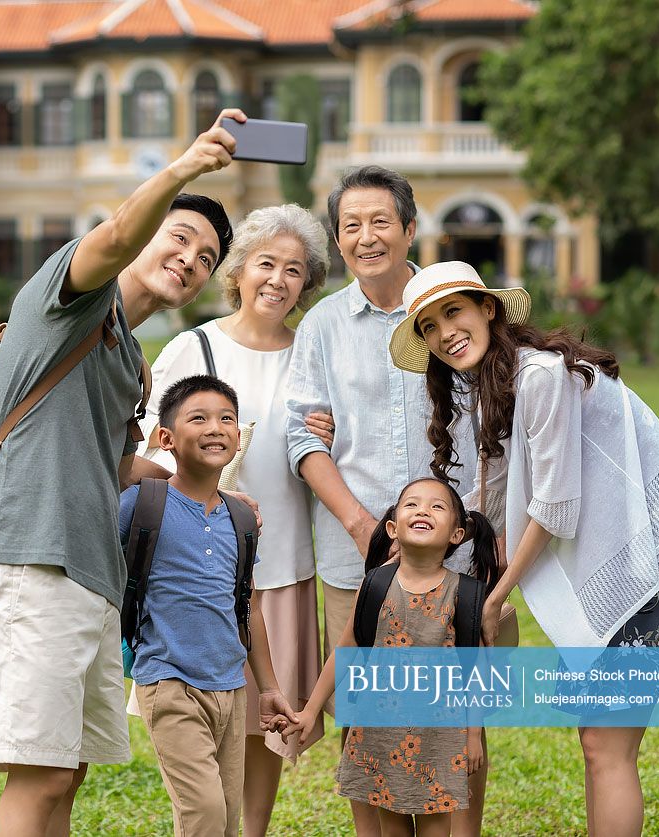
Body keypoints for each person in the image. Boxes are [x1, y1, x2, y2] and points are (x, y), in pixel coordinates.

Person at [0, 110, 248, 837]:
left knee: (68, 770)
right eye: (178, 237)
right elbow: (117, 234)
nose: (189, 258)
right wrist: (187, 167)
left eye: (206, 256)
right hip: (33, 551)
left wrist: (195, 479)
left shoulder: (129, 358)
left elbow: (112, 462)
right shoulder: (73, 295)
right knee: (42, 770)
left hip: (89, 572)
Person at [391, 261, 659, 837]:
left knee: (606, 744)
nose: (444, 332)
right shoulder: (497, 386)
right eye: (428, 326)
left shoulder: (540, 375)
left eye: (453, 311)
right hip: (626, 544)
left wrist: (497, 597)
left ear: (487, 308)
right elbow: (493, 496)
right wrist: (448, 574)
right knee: (599, 741)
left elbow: (553, 507)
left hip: (651, 550)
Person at [284, 166, 481, 835]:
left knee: (455, 721)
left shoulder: (453, 310)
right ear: (338, 240)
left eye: (379, 221)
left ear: (408, 228)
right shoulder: (322, 326)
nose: (366, 237)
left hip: (455, 559)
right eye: (350, 225)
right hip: (356, 558)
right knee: (366, 723)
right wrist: (363, 523)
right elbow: (299, 431)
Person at [138, 204, 331, 836]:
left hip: (284, 568)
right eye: (265, 264)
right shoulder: (195, 347)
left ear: (309, 283)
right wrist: (214, 502)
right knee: (208, 730)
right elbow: (145, 455)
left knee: (264, 726)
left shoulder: (314, 355)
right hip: (201, 570)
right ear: (239, 270)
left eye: (294, 270)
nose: (277, 280)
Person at [122, 375, 299, 837]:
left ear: (239, 437)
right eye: (197, 418)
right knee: (203, 812)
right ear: (166, 438)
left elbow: (249, 607)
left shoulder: (242, 519)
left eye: (227, 419)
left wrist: (269, 687)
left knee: (226, 816)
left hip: (231, 688)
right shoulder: (143, 503)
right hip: (168, 680)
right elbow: (108, 476)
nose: (215, 427)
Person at [289, 477, 499, 837]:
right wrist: (310, 710)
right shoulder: (374, 586)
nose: (423, 510)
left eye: (437, 506)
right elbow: (346, 650)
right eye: (412, 504)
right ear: (392, 528)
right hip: (379, 737)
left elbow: (476, 674)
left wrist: (473, 734)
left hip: (439, 740)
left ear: (457, 534)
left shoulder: (463, 595)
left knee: (436, 829)